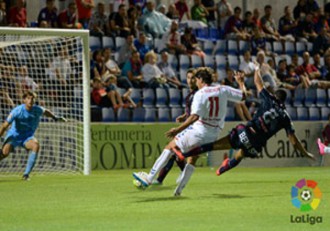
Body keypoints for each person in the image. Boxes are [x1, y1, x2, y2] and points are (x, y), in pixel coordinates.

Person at [174, 65, 315, 177]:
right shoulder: (285, 117)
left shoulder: (268, 98)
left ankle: (183, 155)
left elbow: (258, 82)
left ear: (275, 95)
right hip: (256, 143)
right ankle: (226, 167)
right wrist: (305, 153)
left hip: (245, 131)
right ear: (284, 101)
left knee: (212, 146)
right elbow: (294, 141)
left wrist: (257, 68)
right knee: (240, 155)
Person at [133, 67, 247, 196]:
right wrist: (241, 82)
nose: (195, 82)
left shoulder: (200, 93)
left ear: (200, 79)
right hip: (214, 134)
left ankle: (149, 178)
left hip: (200, 130)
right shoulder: (223, 89)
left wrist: (178, 129)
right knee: (192, 159)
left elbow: (194, 117)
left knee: (170, 147)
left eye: (196, 79)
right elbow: (243, 96)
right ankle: (178, 192)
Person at [0, 91, 67, 180]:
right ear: (24, 100)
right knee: (4, 153)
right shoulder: (17, 111)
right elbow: (4, 126)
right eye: (28, 98)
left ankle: (26, 175)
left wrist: (55, 117)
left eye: (32, 99)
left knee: (35, 145)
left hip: (27, 137)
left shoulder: (37, 109)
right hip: (14, 136)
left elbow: (46, 111)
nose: (30, 101)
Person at [153, 69, 197, 185]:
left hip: (194, 130)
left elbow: (196, 114)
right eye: (188, 77)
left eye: (192, 78)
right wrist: (184, 116)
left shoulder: (198, 94)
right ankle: (160, 180)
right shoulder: (191, 95)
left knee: (175, 152)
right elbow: (193, 112)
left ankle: (162, 179)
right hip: (189, 127)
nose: (190, 80)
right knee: (175, 154)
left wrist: (181, 126)